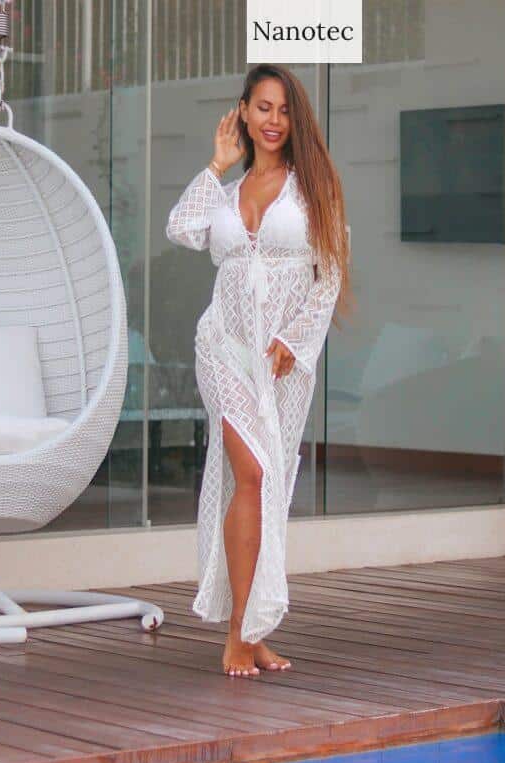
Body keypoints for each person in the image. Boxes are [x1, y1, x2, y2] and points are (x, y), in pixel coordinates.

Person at [165, 63, 355, 677]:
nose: (273, 121)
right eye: (262, 107)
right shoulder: (223, 194)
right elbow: (180, 229)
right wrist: (216, 164)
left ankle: (250, 626)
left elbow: (329, 281)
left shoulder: (314, 189)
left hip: (283, 363)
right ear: (243, 112)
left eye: (283, 110)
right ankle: (239, 638)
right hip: (223, 348)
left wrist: (295, 343)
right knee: (249, 471)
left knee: (265, 482)